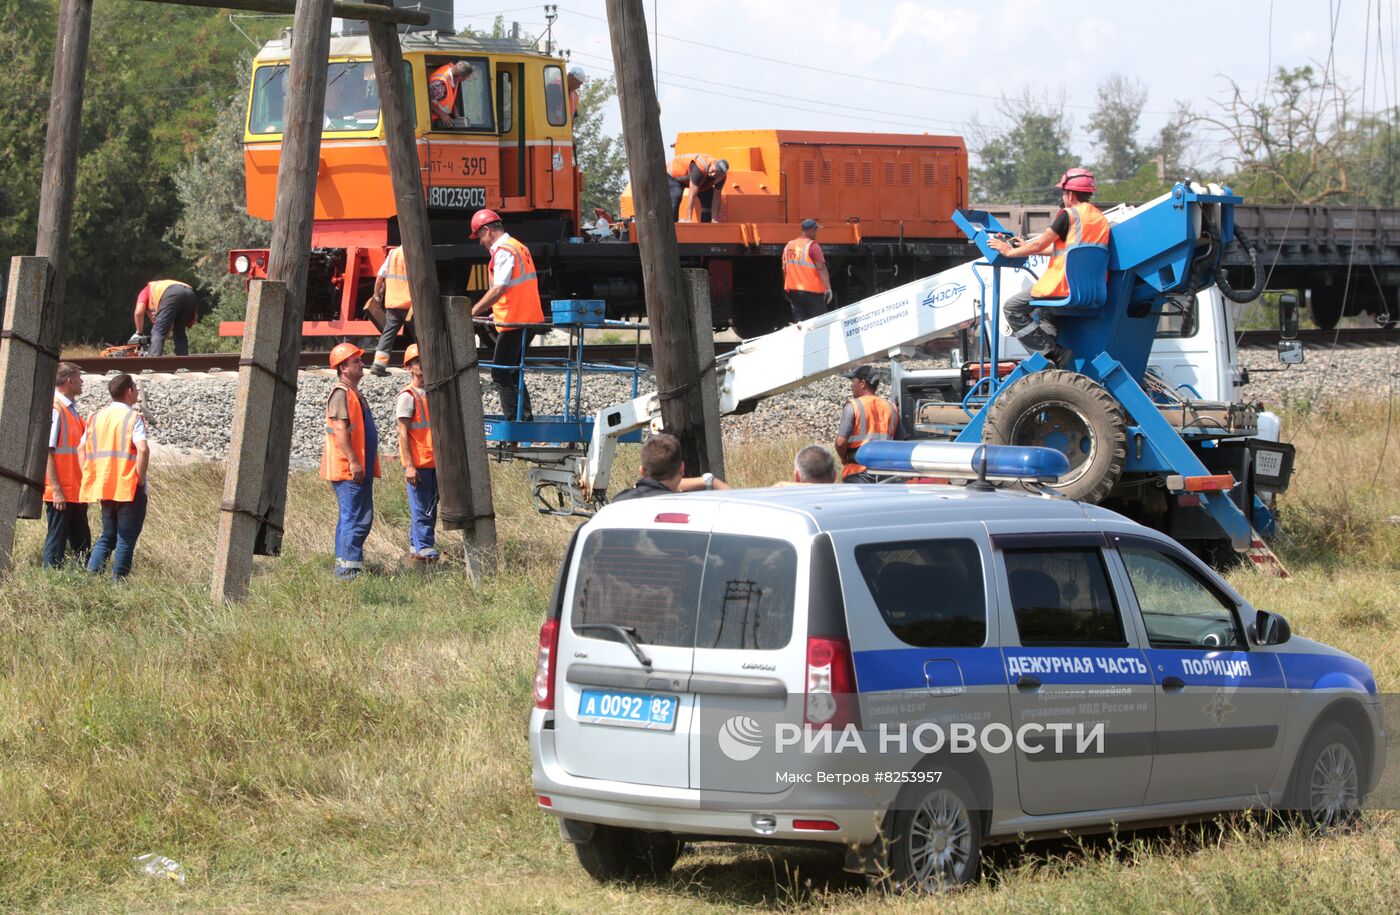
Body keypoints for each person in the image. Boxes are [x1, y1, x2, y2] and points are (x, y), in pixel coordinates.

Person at [987, 168, 1109, 366]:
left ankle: (1052, 353)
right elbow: (1066, 249)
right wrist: (1025, 248)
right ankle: (1051, 356)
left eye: (1063, 193)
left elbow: (1039, 244)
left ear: (1070, 194)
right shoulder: (1099, 218)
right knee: (1046, 311)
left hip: (1063, 287)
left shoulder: (1068, 215)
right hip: (1090, 291)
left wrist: (1008, 251)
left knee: (1012, 307)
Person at [469, 208, 544, 428]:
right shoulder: (518, 246)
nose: (480, 242)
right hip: (527, 319)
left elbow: (500, 288)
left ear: (487, 230)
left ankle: (515, 425)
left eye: (479, 236)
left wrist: (473, 311)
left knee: (500, 374)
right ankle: (525, 421)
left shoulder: (503, 251)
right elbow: (516, 289)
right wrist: (497, 312)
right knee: (512, 372)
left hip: (516, 322)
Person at [79, 373, 150, 579]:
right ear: (129, 392)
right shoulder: (133, 418)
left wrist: (89, 475)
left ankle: (92, 576)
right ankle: (118, 582)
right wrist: (140, 478)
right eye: (135, 388)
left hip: (103, 485)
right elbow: (142, 449)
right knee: (126, 538)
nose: (136, 392)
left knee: (108, 536)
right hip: (127, 486)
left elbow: (81, 448)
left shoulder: (95, 417)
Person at [320, 342, 380, 579]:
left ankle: (345, 567)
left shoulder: (353, 393)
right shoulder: (341, 393)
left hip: (356, 468)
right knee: (356, 519)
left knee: (353, 518)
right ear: (343, 368)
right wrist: (354, 462)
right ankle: (348, 574)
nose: (361, 364)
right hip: (348, 470)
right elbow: (340, 431)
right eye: (356, 361)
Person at [42, 362, 90, 568]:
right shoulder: (56, 410)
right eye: (79, 378)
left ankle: (86, 578)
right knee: (56, 543)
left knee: (83, 543)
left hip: (75, 492)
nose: (82, 381)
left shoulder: (70, 411)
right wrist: (57, 491)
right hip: (61, 493)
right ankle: (51, 578)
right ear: (69, 381)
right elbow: (47, 452)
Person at [396, 344, 439, 562]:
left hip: (432, 462)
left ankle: (416, 547)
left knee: (429, 508)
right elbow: (403, 433)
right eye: (417, 361)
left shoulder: (430, 393)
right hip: (419, 464)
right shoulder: (408, 396)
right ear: (409, 367)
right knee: (423, 510)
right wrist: (409, 465)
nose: (422, 365)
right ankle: (424, 548)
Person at [611, 433, 731, 502]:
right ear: (682, 469)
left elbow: (656, 485)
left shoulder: (618, 502)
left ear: (641, 471)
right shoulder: (686, 509)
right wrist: (711, 481)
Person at [835, 365, 897, 483]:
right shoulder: (891, 408)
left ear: (863, 383)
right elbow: (899, 441)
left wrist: (843, 458)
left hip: (858, 473)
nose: (851, 385)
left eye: (853, 381)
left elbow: (840, 442)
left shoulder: (853, 406)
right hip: (886, 473)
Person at [370, 245, 413, 376]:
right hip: (409, 304)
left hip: (392, 303)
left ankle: (378, 365)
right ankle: (424, 364)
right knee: (420, 335)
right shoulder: (412, 251)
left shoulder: (392, 254)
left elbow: (379, 276)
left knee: (388, 333)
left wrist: (376, 295)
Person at [782, 218, 833, 322]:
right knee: (819, 323)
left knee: (801, 324)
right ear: (811, 230)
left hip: (794, 293)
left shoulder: (789, 246)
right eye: (815, 230)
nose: (816, 233)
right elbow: (821, 268)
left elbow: (784, 269)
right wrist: (828, 288)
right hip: (812, 294)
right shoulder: (812, 246)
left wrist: (786, 289)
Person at [134, 279, 197, 356]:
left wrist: (139, 333)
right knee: (179, 332)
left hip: (172, 293)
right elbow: (168, 326)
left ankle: (153, 361)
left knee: (158, 331)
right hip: (190, 293)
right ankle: (183, 361)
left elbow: (139, 312)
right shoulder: (160, 293)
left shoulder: (146, 290)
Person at [667, 153, 728, 223]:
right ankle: (672, 224)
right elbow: (692, 194)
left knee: (708, 198)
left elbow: (716, 197)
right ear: (712, 164)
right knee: (676, 196)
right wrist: (689, 218)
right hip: (674, 175)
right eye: (714, 171)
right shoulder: (701, 167)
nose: (713, 174)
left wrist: (715, 220)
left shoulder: (721, 177)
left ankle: (706, 225)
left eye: (717, 174)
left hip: (699, 179)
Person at [428, 60, 474, 128]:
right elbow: (425, 101)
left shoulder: (454, 71)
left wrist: (455, 109)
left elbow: (449, 95)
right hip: (431, 121)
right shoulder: (439, 84)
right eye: (467, 76)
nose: (468, 78)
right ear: (461, 77)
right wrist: (442, 114)